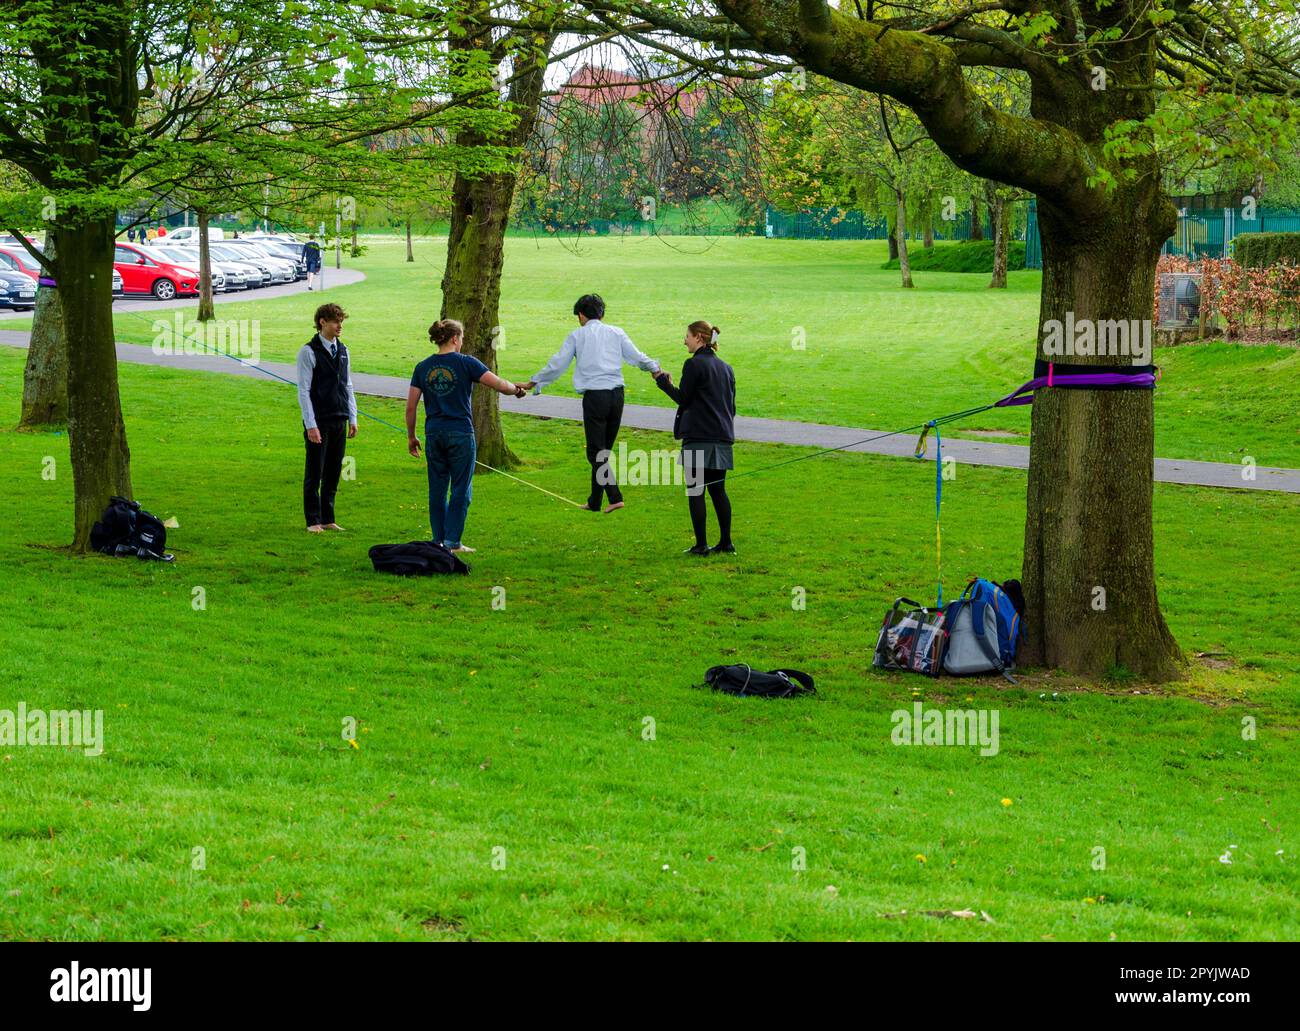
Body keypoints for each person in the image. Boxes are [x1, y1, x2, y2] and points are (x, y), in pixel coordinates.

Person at [521, 294, 660, 512]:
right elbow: (637, 356)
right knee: (602, 451)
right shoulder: (616, 332)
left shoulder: (577, 335)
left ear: (581, 315)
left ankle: (615, 497)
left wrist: (534, 382)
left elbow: (558, 364)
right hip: (617, 396)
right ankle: (595, 501)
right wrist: (655, 370)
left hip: (595, 397)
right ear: (602, 314)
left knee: (595, 453)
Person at [406, 319, 527, 554]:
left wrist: (411, 436)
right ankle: (453, 542)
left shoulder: (422, 367)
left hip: (434, 433)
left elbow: (411, 406)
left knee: (437, 489)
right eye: (461, 337)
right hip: (460, 433)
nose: (462, 342)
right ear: (454, 338)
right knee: (461, 488)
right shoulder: (466, 363)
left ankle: (438, 540)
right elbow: (500, 385)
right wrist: (517, 389)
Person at [654, 321, 736, 556]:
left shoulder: (693, 365)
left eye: (687, 336)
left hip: (699, 436)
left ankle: (701, 545)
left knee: (696, 490)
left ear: (699, 338)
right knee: (718, 490)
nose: (684, 341)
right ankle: (726, 542)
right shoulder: (726, 368)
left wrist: (663, 383)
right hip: (722, 436)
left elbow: (684, 399)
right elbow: (731, 406)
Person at [296, 303, 358, 533]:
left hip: (339, 417)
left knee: (333, 470)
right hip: (319, 420)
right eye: (335, 321)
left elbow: (348, 385)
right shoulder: (308, 352)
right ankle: (313, 520)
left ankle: (328, 517)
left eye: (341, 321)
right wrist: (311, 424)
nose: (339, 326)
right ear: (322, 322)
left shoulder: (343, 350)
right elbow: (303, 390)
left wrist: (353, 417)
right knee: (315, 471)